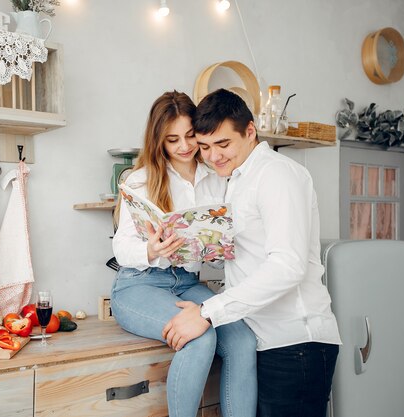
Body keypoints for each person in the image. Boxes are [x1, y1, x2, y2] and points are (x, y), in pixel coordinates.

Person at [162, 88, 342, 417]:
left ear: (250, 131)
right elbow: (249, 254)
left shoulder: (276, 174)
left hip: (295, 344)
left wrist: (206, 312)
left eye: (223, 144)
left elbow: (288, 266)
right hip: (265, 340)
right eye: (204, 147)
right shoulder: (236, 180)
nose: (213, 156)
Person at [111, 90, 257, 417]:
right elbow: (121, 248)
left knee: (243, 341)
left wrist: (215, 247)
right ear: (159, 141)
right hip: (139, 285)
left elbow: (219, 252)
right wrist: (151, 249)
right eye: (172, 139)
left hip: (188, 281)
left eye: (190, 136)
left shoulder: (216, 178)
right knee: (199, 337)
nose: (184, 147)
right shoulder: (142, 179)